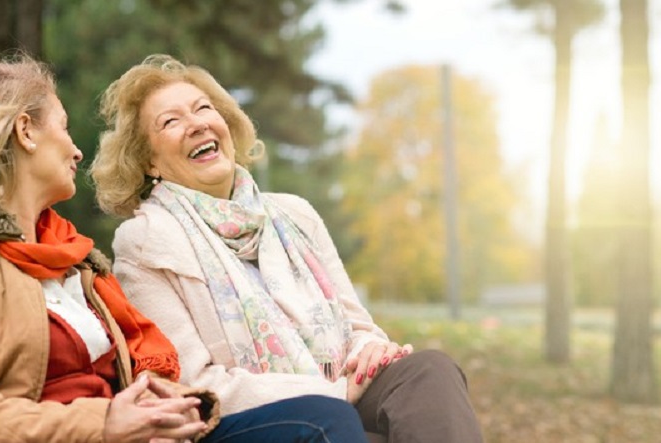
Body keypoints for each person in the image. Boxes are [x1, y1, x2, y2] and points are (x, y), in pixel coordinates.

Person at [0, 55, 369, 443]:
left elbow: (145, 370)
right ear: (24, 131)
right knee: (324, 421)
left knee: (399, 386)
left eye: (204, 109)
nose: (77, 150)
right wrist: (106, 421)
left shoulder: (77, 262)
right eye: (65, 126)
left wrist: (165, 411)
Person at [91, 54, 484, 443]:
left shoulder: (295, 214)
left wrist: (369, 351)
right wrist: (333, 393)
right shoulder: (145, 241)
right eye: (171, 121)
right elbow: (194, 382)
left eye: (203, 108)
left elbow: (358, 326)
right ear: (150, 163)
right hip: (260, 416)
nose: (196, 124)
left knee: (429, 370)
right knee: (330, 417)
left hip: (344, 387)